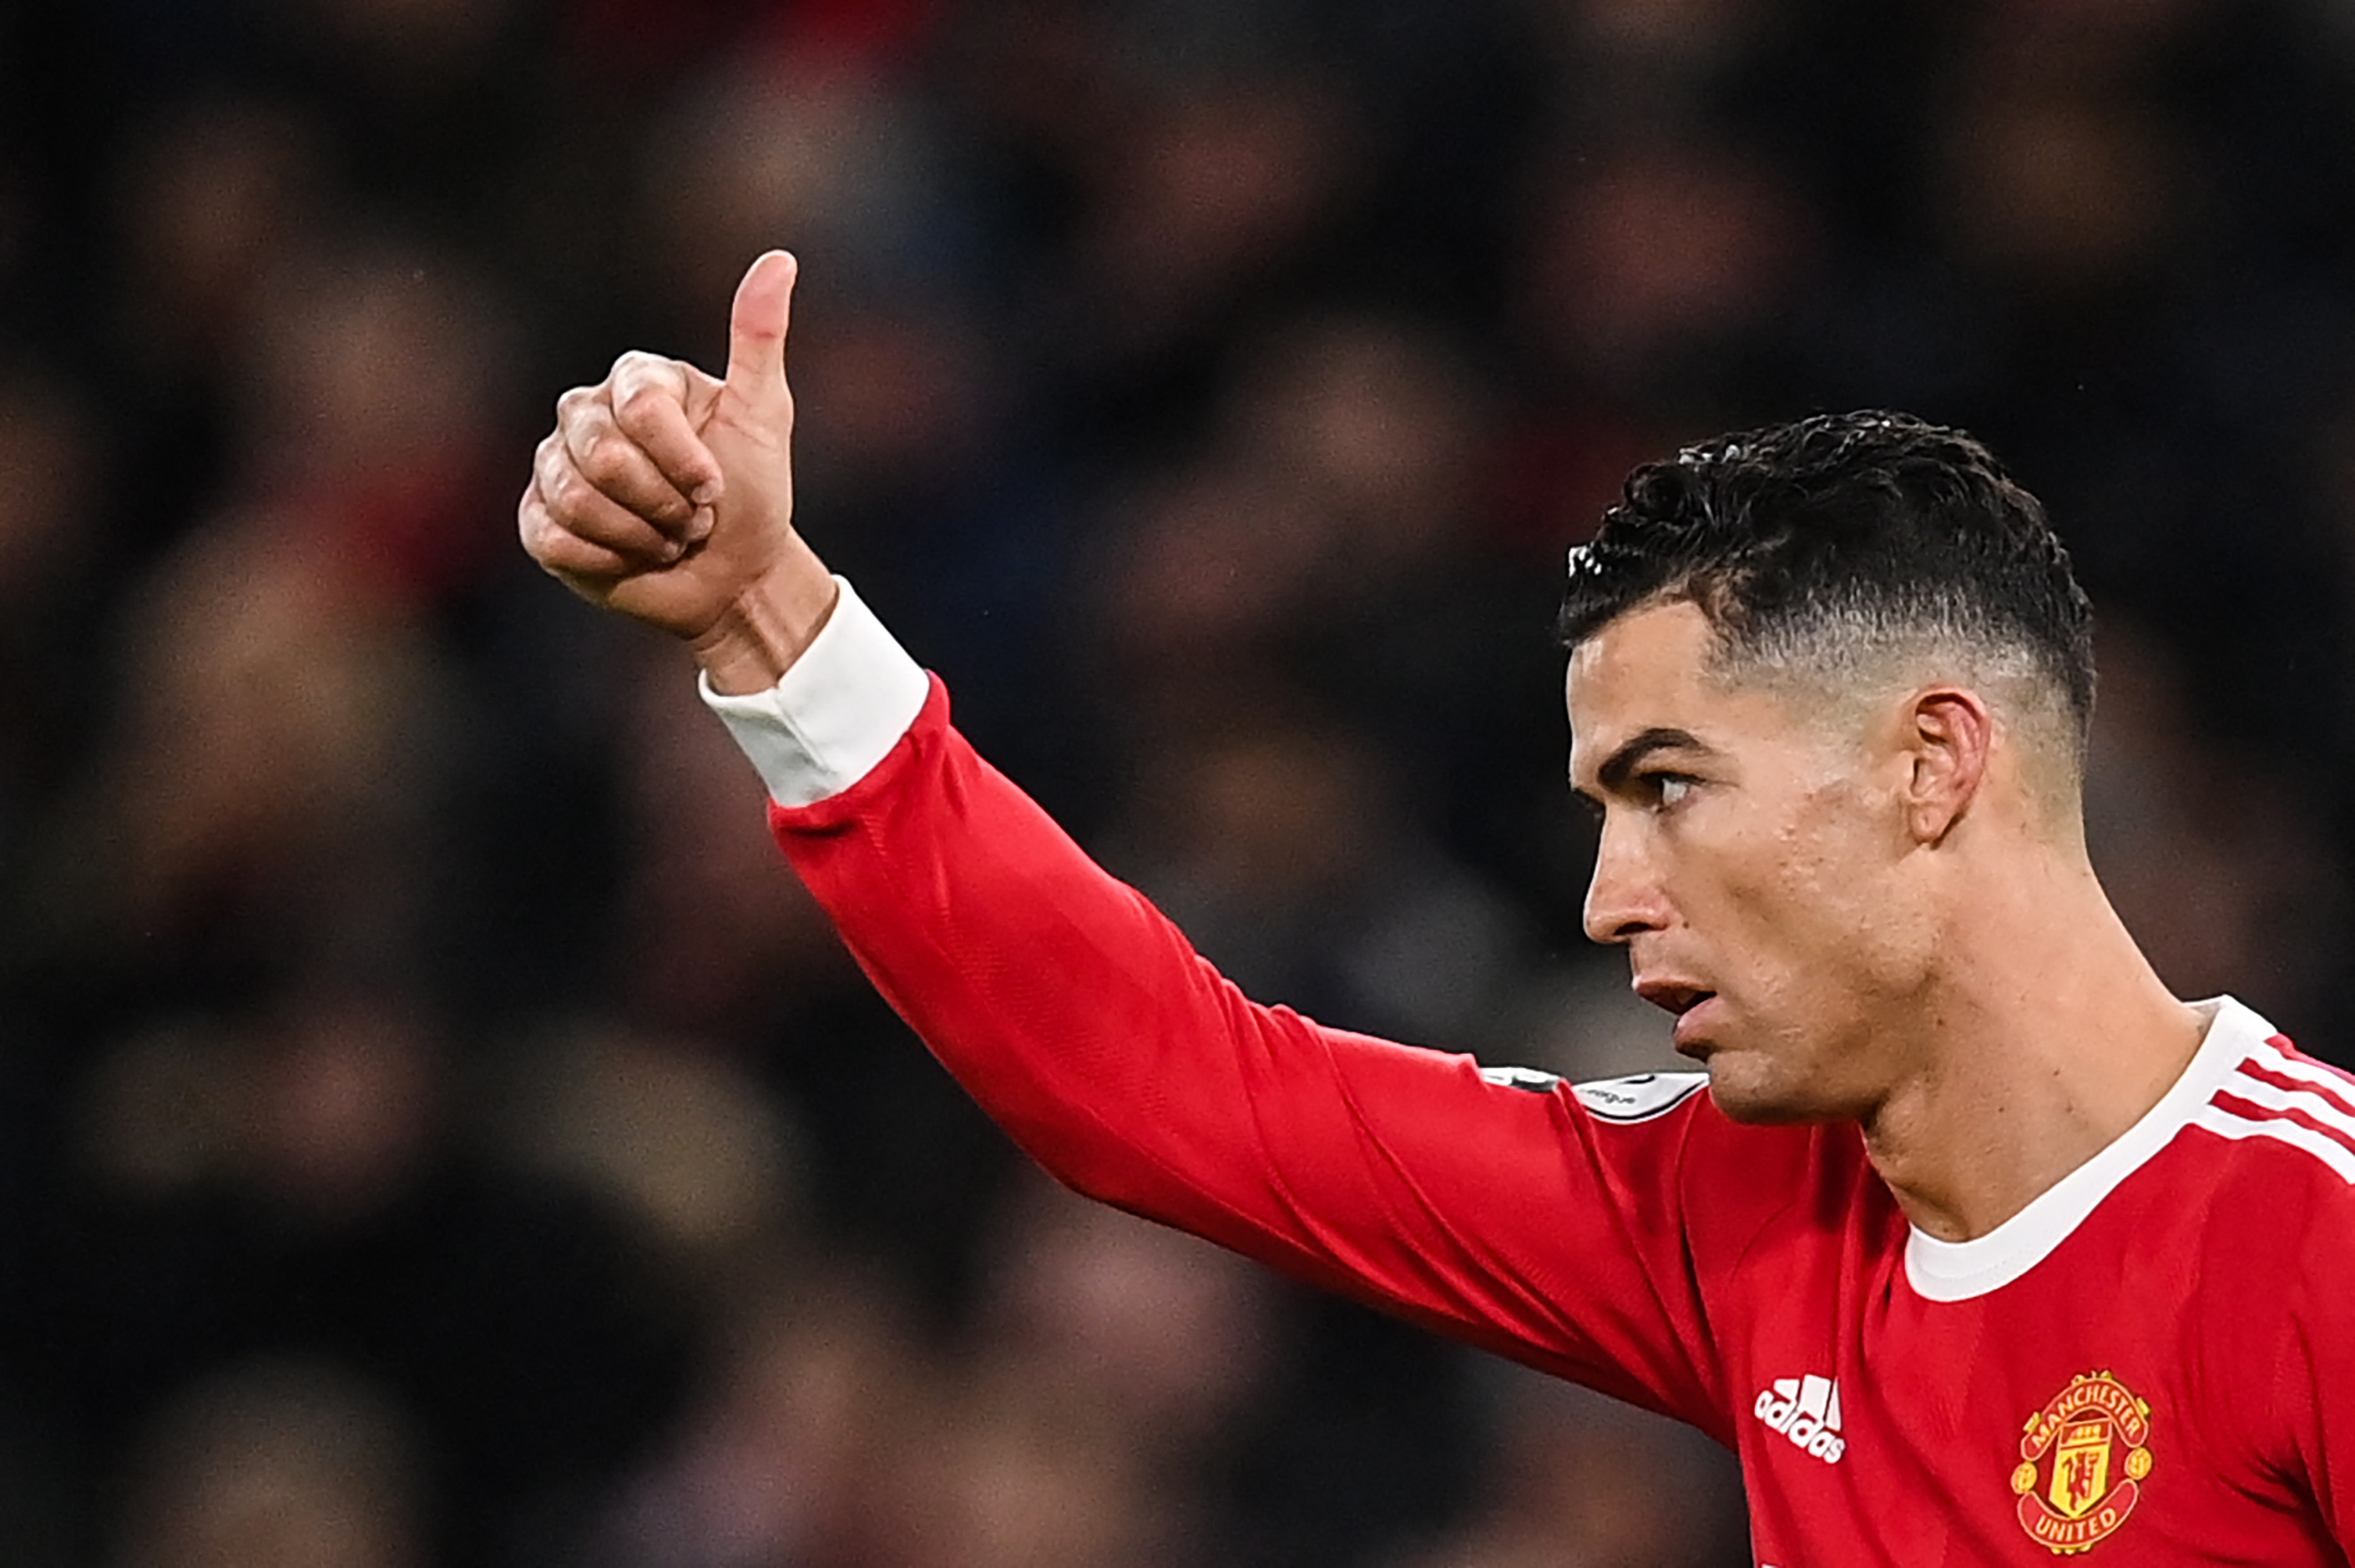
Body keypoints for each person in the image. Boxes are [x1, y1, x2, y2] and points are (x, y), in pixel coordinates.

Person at [519, 251, 2355, 1564]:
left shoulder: (2311, 1250)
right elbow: (1172, 1085)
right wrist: (764, 618)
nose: (1609, 899)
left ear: (1928, 764)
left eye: (1670, 788)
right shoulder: (1736, 1207)